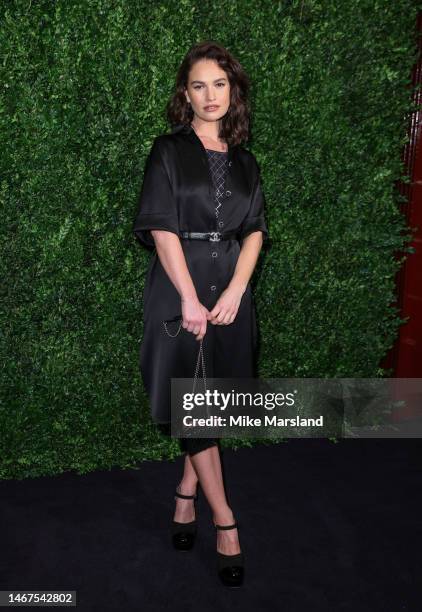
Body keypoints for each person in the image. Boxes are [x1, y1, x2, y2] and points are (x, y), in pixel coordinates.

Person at [133, 40, 269, 588]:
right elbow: (162, 226)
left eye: (220, 84)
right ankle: (227, 522)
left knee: (210, 403)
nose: (210, 95)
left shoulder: (246, 160)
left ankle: (185, 495)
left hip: (231, 293)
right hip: (179, 291)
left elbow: (255, 229)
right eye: (198, 85)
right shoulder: (167, 150)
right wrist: (190, 298)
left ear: (232, 90)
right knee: (195, 404)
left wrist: (237, 289)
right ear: (184, 93)